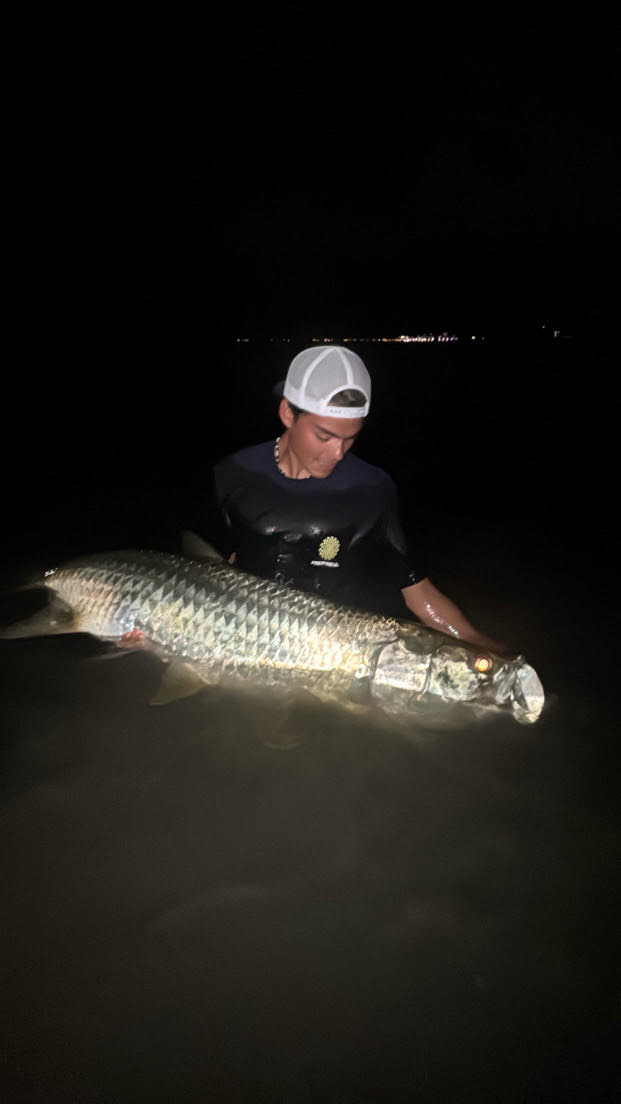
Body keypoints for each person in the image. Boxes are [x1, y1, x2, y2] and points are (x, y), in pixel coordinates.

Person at [205, 345, 508, 653]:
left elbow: (414, 586)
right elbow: (213, 566)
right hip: (242, 638)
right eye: (324, 436)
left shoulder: (371, 489)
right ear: (287, 413)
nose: (338, 453)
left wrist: (477, 643)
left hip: (329, 650)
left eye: (350, 438)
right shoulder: (233, 473)